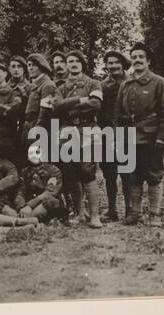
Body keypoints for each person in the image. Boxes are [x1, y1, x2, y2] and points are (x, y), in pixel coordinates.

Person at [115, 42, 164, 226]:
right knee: (133, 175)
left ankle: (154, 215)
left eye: (141, 57)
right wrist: (119, 137)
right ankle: (135, 213)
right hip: (129, 137)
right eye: (134, 57)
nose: (137, 60)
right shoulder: (126, 84)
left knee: (153, 175)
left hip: (151, 137)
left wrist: (162, 137)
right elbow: (118, 113)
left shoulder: (158, 82)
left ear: (148, 60)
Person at [53, 49, 104, 228]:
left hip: (88, 128)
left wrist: (73, 104)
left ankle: (95, 215)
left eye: (77, 61)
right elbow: (57, 107)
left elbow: (96, 104)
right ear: (66, 65)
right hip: (67, 130)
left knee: (88, 172)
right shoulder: (60, 87)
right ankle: (79, 212)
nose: (73, 64)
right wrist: (81, 100)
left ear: (82, 64)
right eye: (70, 61)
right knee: (72, 173)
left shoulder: (93, 83)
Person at [98, 49, 131, 221]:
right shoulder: (102, 86)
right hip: (107, 134)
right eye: (110, 63)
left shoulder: (132, 83)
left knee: (127, 173)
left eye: (116, 62)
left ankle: (130, 210)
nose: (113, 66)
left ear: (123, 64)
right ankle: (112, 210)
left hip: (126, 134)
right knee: (109, 174)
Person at [14, 140, 66, 223]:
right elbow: (21, 190)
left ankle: (31, 219)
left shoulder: (53, 170)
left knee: (50, 201)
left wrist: (29, 206)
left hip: (45, 202)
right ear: (27, 156)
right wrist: (21, 206)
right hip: (29, 203)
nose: (34, 156)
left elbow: (49, 192)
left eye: (37, 152)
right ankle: (26, 219)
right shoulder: (24, 171)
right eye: (31, 153)